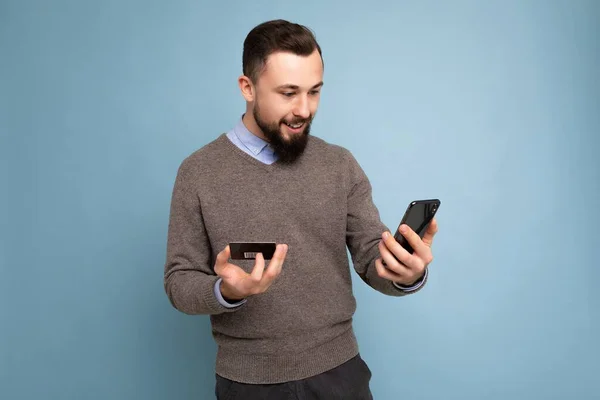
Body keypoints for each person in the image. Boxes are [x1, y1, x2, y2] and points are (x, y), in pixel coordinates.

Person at [164, 19, 439, 400]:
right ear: (247, 88)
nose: (304, 109)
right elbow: (179, 281)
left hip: (341, 376)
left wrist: (404, 272)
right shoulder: (198, 172)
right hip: (247, 385)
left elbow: (370, 257)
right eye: (288, 93)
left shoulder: (339, 164)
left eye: (314, 92)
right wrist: (225, 289)